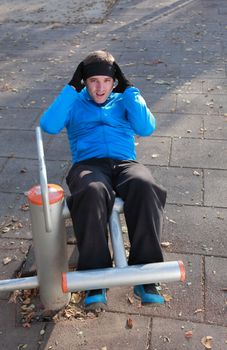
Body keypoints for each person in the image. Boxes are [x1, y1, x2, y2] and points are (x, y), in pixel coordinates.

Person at [40, 50, 167, 311]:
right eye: (93, 81)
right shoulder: (75, 103)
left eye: (107, 81)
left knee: (145, 185)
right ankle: (95, 278)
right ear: (84, 82)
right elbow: (49, 125)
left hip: (124, 163)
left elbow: (146, 127)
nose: (100, 88)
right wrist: (70, 88)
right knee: (91, 191)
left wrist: (130, 89)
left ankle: (146, 276)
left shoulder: (123, 101)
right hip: (88, 165)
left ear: (114, 82)